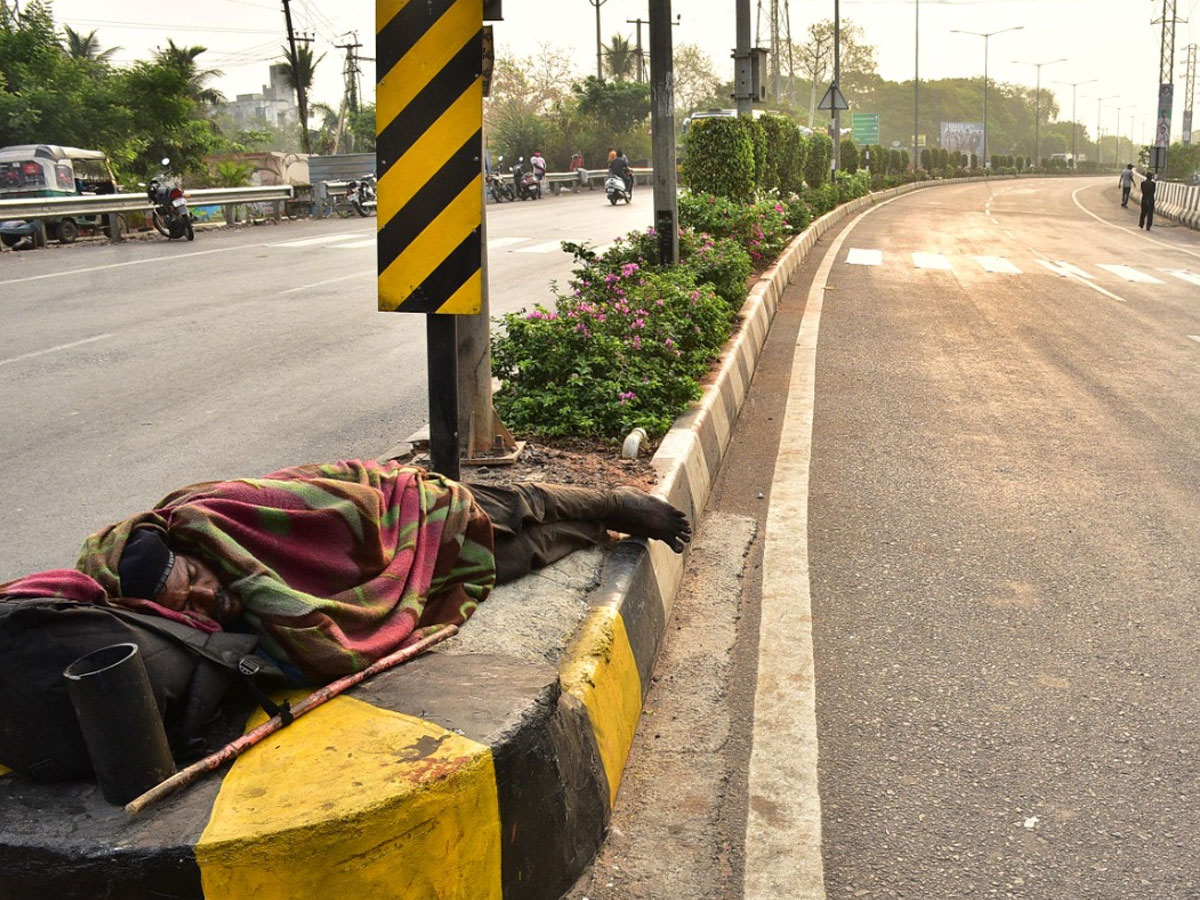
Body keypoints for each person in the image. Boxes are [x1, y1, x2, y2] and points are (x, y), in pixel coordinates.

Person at [0, 460, 690, 683]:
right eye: (192, 605)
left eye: (198, 581)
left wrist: (404, 527)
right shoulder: (188, 625)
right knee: (524, 554)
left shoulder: (218, 519)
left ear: (192, 553)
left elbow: (328, 506)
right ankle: (600, 528)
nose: (209, 599)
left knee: (510, 509)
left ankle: (617, 502)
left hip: (387, 507)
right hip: (404, 567)